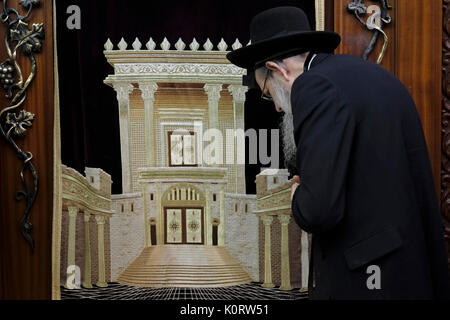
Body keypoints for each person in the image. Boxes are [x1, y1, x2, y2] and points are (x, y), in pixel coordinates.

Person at [227, 6, 450, 300]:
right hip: (405, 267)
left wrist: (298, 197)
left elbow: (318, 211)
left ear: (276, 69)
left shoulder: (312, 85)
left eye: (269, 94)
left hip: (366, 276)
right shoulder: (370, 75)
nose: (279, 108)